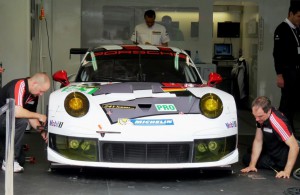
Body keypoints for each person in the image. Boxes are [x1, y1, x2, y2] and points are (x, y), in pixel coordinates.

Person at [0, 72, 50, 173]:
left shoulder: (33, 95)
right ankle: (9, 161)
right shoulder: (20, 85)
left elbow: (30, 116)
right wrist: (40, 116)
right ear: (35, 83)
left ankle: (8, 157)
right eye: (41, 91)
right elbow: (17, 112)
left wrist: (42, 132)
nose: (41, 94)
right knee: (21, 121)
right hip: (2, 119)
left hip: (6, 122)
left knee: (21, 160)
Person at [241, 96, 299, 179]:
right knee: (250, 150)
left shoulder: (277, 122)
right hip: (272, 146)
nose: (256, 119)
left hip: (279, 159)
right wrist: (252, 165)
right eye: (254, 116)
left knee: (246, 158)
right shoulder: (260, 118)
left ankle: (278, 166)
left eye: (260, 116)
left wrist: (287, 171)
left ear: (268, 111)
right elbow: (258, 140)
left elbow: (295, 146)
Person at [273, 4, 300, 133]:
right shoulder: (281, 29)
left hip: (296, 71)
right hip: (287, 72)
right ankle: (281, 130)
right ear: (291, 14)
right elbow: (277, 54)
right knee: (286, 103)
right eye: (298, 16)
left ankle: (289, 131)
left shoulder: (296, 29)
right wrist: (279, 75)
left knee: (293, 103)